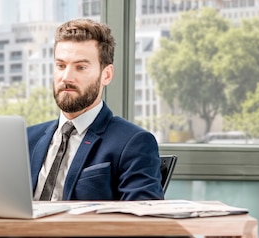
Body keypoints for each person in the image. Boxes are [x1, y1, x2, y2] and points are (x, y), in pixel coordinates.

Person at [27, 18, 164, 201]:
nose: (66, 77)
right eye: (60, 66)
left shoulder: (134, 143)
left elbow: (144, 224)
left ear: (106, 75)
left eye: (81, 67)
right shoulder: (26, 139)